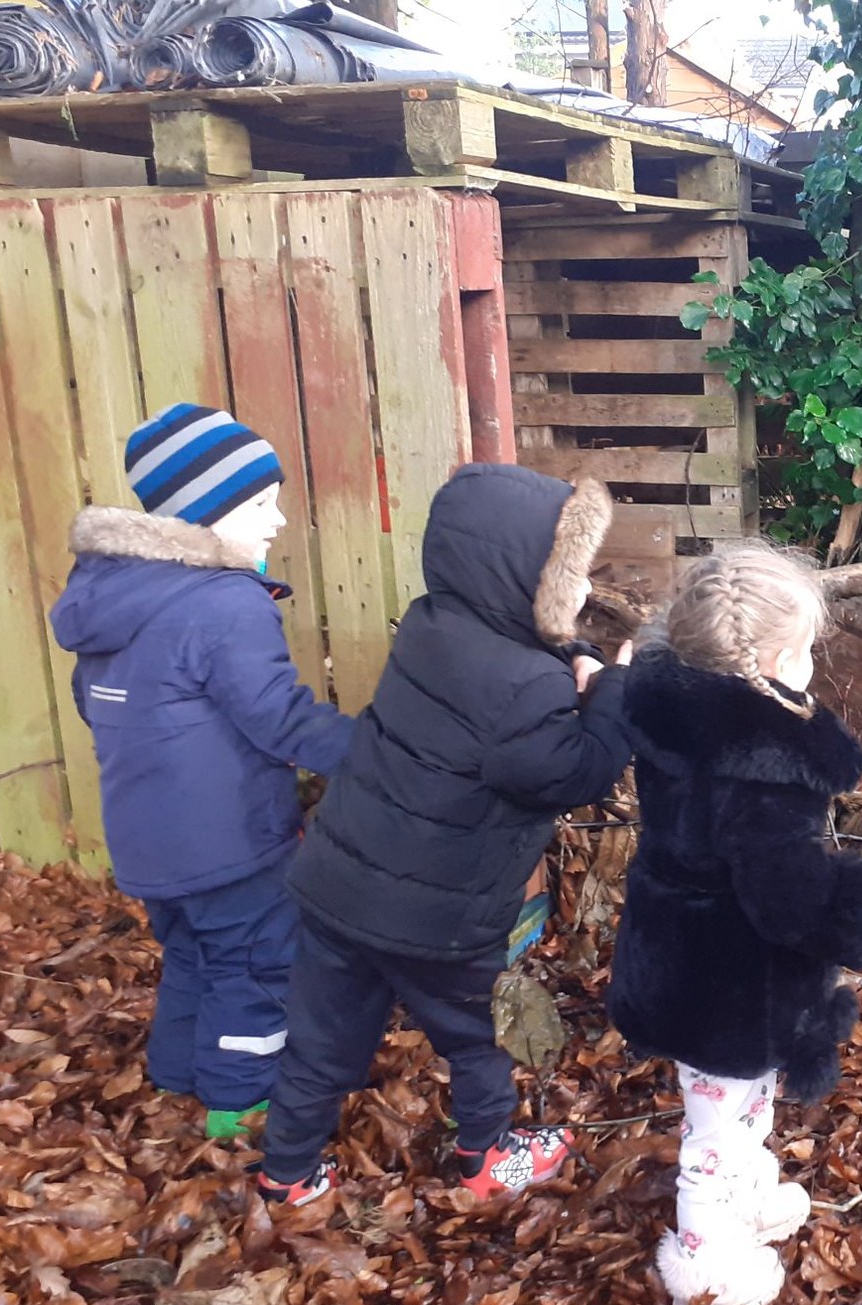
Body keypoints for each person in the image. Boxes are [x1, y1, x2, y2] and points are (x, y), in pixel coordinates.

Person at [254, 466, 633, 1207]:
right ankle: (487, 1156)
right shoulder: (528, 687)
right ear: (524, 580)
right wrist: (614, 689)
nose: (584, 589)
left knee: (321, 1039)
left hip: (338, 887)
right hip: (437, 918)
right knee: (477, 1034)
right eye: (568, 575)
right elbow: (573, 772)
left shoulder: (430, 625)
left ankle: (287, 1173)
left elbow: (499, 674)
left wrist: (572, 656)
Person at [50, 402, 353, 1141]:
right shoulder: (223, 603)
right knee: (256, 968)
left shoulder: (114, 592)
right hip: (229, 841)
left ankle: (175, 1079)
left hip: (146, 841)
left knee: (193, 955)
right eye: (260, 504)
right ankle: (241, 1109)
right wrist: (379, 750)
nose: (278, 520)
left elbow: (93, 704)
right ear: (204, 514)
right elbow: (279, 717)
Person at [606, 545, 862, 1305]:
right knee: (714, 1131)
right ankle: (705, 1264)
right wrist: (851, 920)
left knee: (738, 1104)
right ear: (771, 665)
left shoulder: (673, 715)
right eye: (803, 652)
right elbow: (782, 894)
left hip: (672, 955)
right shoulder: (766, 770)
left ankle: (747, 1195)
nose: (811, 666)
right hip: (732, 984)